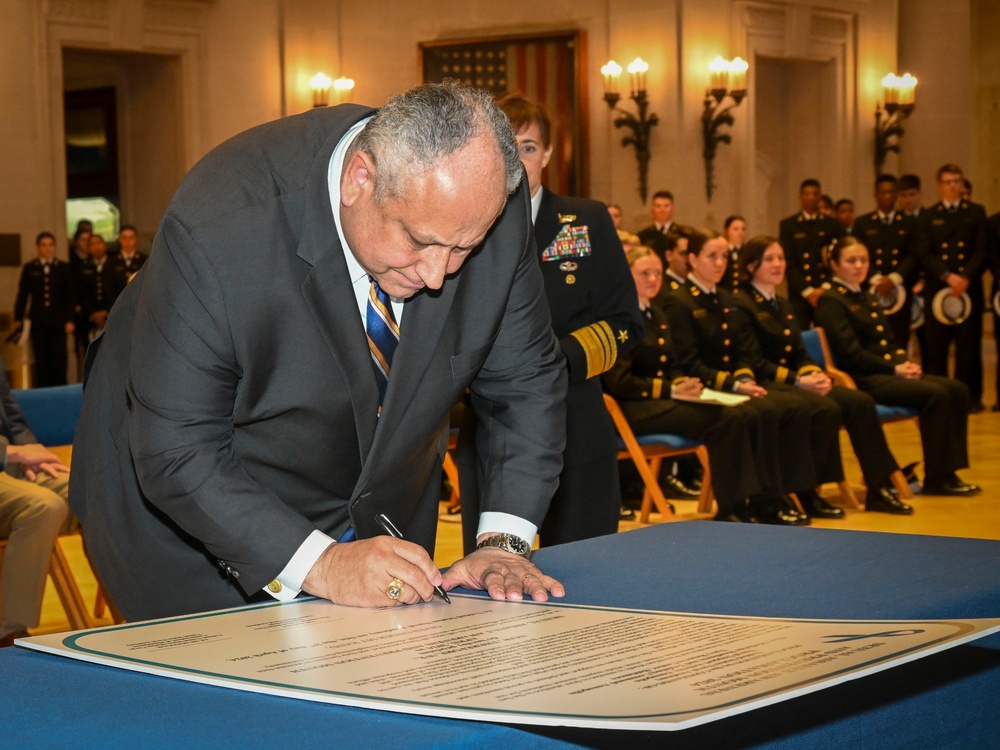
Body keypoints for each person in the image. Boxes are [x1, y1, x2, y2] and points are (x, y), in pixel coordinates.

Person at [70, 81, 569, 622]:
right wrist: (322, 564)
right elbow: (178, 447)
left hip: (379, 494)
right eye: (420, 241)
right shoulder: (220, 224)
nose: (437, 274)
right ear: (360, 179)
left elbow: (526, 381)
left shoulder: (487, 202)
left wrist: (504, 542)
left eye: (463, 249)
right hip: (195, 509)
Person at [458, 94, 643, 552]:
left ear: (548, 153)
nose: (518, 160)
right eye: (506, 146)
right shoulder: (460, 224)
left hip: (575, 418)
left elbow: (625, 322)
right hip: (490, 423)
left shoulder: (585, 220)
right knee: (491, 573)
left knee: (587, 565)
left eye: (529, 146)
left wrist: (550, 362)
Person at [604, 246, 791, 522]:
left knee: (743, 413)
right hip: (634, 409)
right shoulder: (617, 317)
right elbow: (619, 382)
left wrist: (684, 384)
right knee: (726, 420)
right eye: (645, 273)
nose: (654, 279)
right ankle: (732, 507)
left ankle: (754, 501)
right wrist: (672, 389)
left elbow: (674, 364)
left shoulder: (655, 312)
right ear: (626, 275)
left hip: (663, 401)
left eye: (657, 273)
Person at [733, 235, 911, 514]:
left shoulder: (783, 303)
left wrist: (815, 375)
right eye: (769, 259)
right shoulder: (742, 303)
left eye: (780, 258)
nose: (778, 264)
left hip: (797, 380)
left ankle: (878, 488)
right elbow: (753, 361)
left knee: (859, 401)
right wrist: (798, 380)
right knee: (823, 408)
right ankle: (807, 492)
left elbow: (800, 353)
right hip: (768, 383)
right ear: (751, 265)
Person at [665, 229, 831, 526]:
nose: (720, 263)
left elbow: (741, 352)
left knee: (780, 408)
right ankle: (749, 501)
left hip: (733, 385)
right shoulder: (679, 302)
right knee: (758, 412)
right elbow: (688, 362)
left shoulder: (726, 298)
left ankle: (777, 495)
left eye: (724, 256)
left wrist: (744, 380)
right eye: (711, 256)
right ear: (692, 259)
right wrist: (733, 384)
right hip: (702, 387)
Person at [814, 236, 980, 497]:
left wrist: (904, 362)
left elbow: (889, 341)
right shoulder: (832, 301)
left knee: (957, 389)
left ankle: (948, 472)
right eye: (851, 261)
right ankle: (936, 478)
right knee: (936, 395)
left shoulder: (865, 296)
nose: (859, 266)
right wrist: (894, 369)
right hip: (866, 379)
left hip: (890, 372)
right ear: (834, 265)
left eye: (863, 260)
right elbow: (851, 354)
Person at [0, 368, 72, 647]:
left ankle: (130, 606)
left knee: (88, 492)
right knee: (43, 507)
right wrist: (9, 453)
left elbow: (9, 411)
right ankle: (8, 631)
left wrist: (30, 450)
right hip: (6, 456)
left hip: (12, 461)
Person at [912, 163, 990, 412]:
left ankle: (968, 398)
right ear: (939, 185)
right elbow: (925, 253)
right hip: (939, 289)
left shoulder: (976, 212)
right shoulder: (928, 215)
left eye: (957, 181)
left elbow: (981, 250)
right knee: (937, 347)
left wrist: (965, 276)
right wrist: (947, 276)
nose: (953, 186)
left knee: (968, 347)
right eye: (948, 181)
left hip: (968, 288)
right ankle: (940, 397)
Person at [852, 174, 919, 350]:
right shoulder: (863, 223)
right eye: (883, 192)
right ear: (876, 195)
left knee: (899, 340)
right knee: (872, 340)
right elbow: (858, 255)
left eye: (891, 192)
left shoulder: (908, 223)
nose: (887, 197)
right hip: (871, 289)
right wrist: (876, 278)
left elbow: (913, 255)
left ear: (896, 194)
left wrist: (894, 278)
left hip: (899, 290)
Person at [779, 178, 846, 325]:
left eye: (814, 194)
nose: (811, 198)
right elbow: (788, 263)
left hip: (826, 290)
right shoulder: (788, 225)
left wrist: (825, 287)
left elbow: (840, 258)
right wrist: (807, 291)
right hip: (800, 293)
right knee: (801, 338)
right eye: (807, 194)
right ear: (800, 197)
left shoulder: (832, 224)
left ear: (820, 197)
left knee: (828, 338)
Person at [12, 232, 76, 387]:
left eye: (51, 245)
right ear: (38, 247)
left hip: (58, 322)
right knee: (42, 360)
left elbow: (70, 295)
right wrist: (18, 318)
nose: (48, 249)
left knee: (59, 359)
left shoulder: (63, 268)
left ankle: (60, 392)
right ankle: (43, 393)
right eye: (44, 245)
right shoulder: (29, 268)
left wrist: (70, 319)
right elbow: (23, 295)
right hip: (38, 322)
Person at [78, 233, 127, 342]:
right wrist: (93, 314)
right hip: (90, 319)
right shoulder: (83, 268)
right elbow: (82, 294)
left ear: (105, 246)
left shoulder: (117, 265)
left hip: (113, 315)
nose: (96, 247)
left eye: (99, 243)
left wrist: (107, 312)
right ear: (88, 249)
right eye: (92, 244)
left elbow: (120, 290)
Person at [637, 190, 677, 258]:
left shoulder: (682, 234)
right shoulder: (642, 236)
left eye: (666, 206)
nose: (662, 209)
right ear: (652, 209)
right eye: (658, 206)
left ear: (673, 208)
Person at [720, 215, 747, 294]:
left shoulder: (748, 251)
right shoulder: (722, 251)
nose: (740, 232)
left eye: (743, 229)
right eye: (736, 229)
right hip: (725, 294)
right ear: (727, 231)